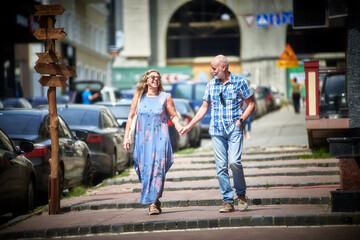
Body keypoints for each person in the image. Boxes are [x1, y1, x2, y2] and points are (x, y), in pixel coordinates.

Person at [180, 55, 255, 213]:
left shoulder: (240, 82)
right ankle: (227, 201)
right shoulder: (210, 85)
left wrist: (241, 120)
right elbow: (204, 107)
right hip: (216, 129)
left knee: (234, 162)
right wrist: (190, 125)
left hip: (234, 128)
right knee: (221, 167)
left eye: (214, 68)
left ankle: (241, 195)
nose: (212, 71)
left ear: (223, 67)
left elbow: (251, 104)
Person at [122, 69, 183, 215]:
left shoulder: (165, 97)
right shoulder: (139, 97)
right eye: (152, 77)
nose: (155, 79)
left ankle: (153, 204)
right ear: (146, 80)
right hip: (142, 141)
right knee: (144, 170)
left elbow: (173, 115)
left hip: (160, 140)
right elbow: (130, 117)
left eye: (158, 77)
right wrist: (126, 137)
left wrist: (179, 127)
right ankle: (154, 198)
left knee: (156, 169)